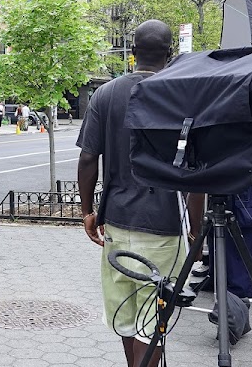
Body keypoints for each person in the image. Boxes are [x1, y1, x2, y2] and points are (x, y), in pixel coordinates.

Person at [77, 19, 182, 367]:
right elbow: (196, 169)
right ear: (170, 53)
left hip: (117, 222)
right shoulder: (183, 93)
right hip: (165, 224)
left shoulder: (105, 94)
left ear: (133, 51)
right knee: (152, 321)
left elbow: (88, 158)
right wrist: (197, 230)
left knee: (126, 316)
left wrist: (87, 212)